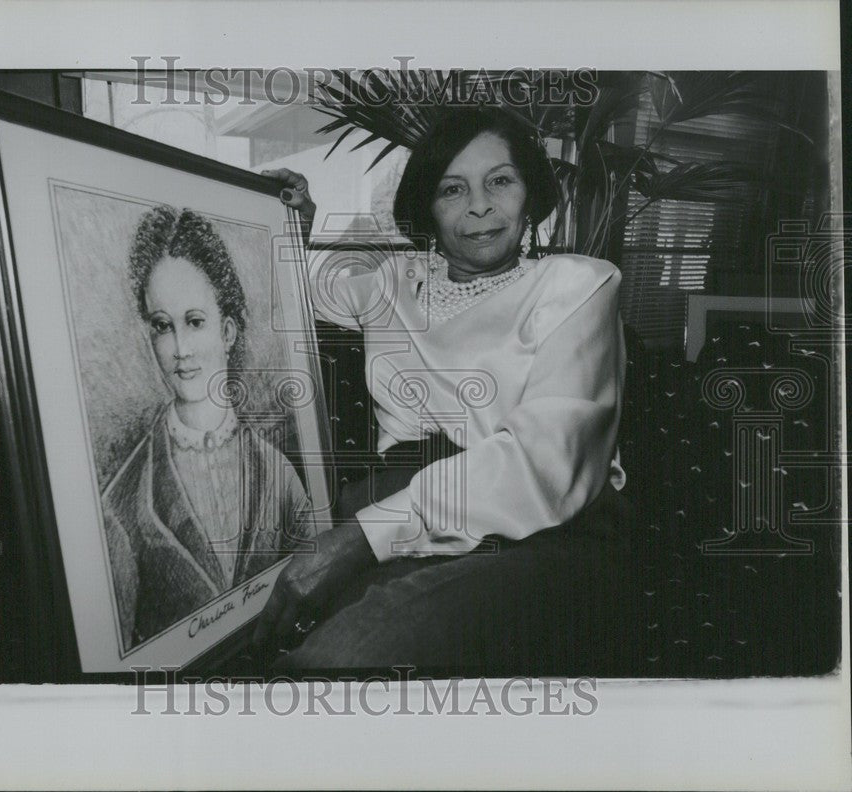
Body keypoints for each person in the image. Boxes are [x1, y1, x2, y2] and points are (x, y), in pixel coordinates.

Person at [254, 106, 644, 673]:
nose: (480, 206)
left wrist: (364, 537)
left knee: (346, 659)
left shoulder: (578, 285)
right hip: (398, 507)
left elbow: (543, 465)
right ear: (427, 209)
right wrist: (293, 222)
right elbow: (302, 290)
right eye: (451, 189)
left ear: (530, 193)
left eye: (500, 181)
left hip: (544, 528)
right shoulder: (391, 283)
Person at [102, 205, 313, 652]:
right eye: (163, 327)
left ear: (229, 330)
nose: (179, 349)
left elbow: (317, 593)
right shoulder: (121, 508)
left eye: (195, 322)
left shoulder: (281, 476)